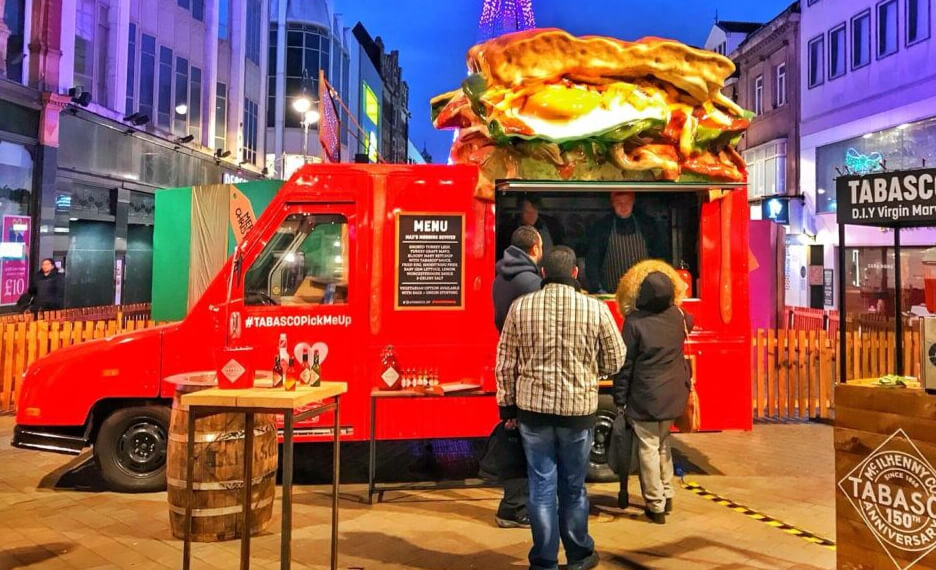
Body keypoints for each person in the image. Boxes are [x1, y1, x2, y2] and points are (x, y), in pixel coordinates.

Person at [496, 246, 626, 570]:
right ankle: (580, 556)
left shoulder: (521, 308)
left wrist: (507, 408)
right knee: (573, 487)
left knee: (541, 487)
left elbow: (505, 363)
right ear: (575, 273)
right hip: (578, 414)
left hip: (533, 414)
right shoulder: (595, 309)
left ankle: (544, 561)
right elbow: (617, 357)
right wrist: (593, 372)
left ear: (542, 273)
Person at [613, 260, 692, 524]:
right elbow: (688, 319)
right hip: (673, 396)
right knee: (663, 443)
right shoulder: (679, 317)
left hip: (645, 397)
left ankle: (655, 504)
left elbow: (626, 365)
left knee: (647, 447)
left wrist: (620, 399)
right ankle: (667, 494)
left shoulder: (634, 323)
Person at [491, 225, 544, 528]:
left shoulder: (501, 278)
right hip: (528, 367)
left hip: (510, 361)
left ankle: (514, 504)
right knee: (526, 443)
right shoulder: (531, 282)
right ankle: (514, 507)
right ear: (535, 249)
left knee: (514, 437)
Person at [584, 192, 667, 294]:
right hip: (612, 295)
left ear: (633, 202)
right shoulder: (602, 227)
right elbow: (592, 262)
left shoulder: (647, 225)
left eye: (627, 202)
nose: (623, 206)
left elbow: (659, 259)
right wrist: (598, 289)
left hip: (644, 296)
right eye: (619, 203)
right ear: (612, 203)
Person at [498, 194, 565, 260]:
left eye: (534, 212)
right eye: (527, 212)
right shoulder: (508, 230)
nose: (532, 216)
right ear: (520, 211)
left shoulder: (551, 226)